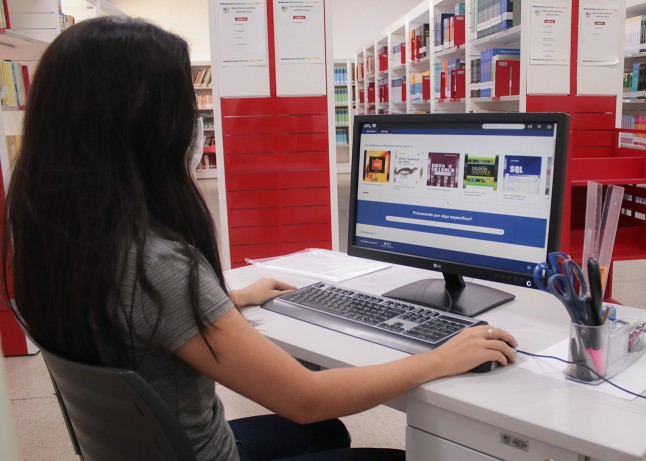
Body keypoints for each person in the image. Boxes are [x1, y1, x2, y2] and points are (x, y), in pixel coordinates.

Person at [2, 16, 517, 461]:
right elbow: (305, 397)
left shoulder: (54, 235)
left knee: (325, 434)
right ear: (144, 124)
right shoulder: (157, 265)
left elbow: (138, 316)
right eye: (183, 105)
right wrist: (441, 357)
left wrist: (224, 300)